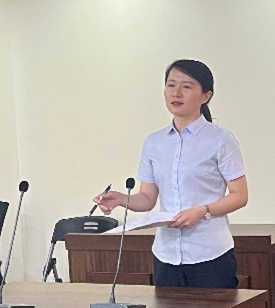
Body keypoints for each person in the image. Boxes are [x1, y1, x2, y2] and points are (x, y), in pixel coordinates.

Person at [94, 59, 248, 287]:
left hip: (210, 254)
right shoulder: (153, 142)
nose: (176, 93)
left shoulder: (221, 140)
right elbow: (147, 198)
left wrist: (202, 211)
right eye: (171, 85)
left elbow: (239, 195)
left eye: (187, 86)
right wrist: (121, 199)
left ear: (206, 96)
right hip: (166, 255)